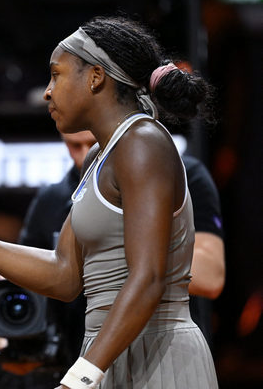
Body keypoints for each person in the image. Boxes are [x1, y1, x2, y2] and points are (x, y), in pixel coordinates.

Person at [0, 16, 219, 388]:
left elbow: (148, 279)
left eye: (56, 75)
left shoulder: (143, 142)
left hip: (157, 358)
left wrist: (79, 379)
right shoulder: (97, 158)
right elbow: (64, 275)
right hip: (106, 356)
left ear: (95, 77)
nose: (47, 92)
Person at [18, 130, 224, 367]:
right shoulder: (52, 200)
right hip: (82, 363)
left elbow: (211, 277)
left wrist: (104, 251)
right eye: (74, 146)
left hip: (165, 359)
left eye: (94, 144)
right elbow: (22, 284)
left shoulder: (182, 176)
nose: (85, 156)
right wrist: (13, 337)